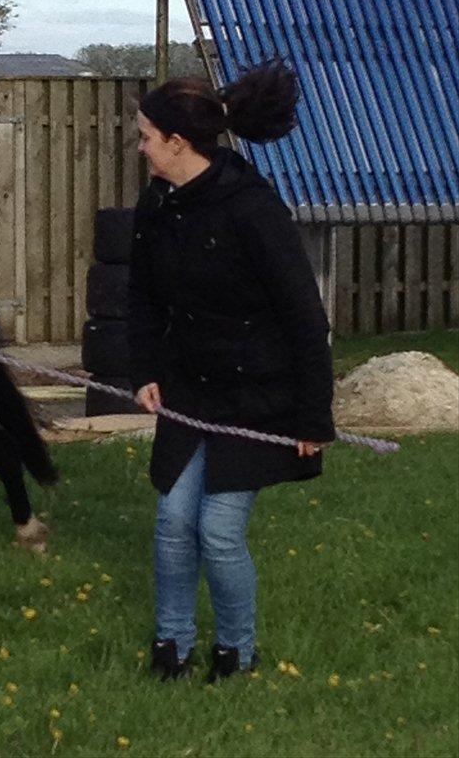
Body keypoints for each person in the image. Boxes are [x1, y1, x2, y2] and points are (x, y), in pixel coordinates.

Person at [128, 61, 336, 684]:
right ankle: (171, 646)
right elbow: (141, 295)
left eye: (144, 137)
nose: (140, 148)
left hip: (258, 392)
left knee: (217, 531)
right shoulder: (157, 203)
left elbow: (304, 315)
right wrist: (144, 370)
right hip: (192, 388)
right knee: (172, 523)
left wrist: (313, 415)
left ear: (177, 142)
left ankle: (237, 653)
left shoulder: (252, 209)